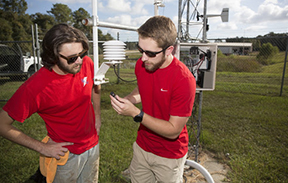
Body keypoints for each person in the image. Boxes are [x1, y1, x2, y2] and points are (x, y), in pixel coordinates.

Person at [0, 23, 101, 183]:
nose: (80, 61)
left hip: (93, 145)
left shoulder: (86, 63)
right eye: (72, 58)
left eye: (82, 53)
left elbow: (96, 86)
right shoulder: (35, 87)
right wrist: (42, 148)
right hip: (64, 155)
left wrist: (97, 115)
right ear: (53, 56)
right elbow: (2, 124)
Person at [110, 16, 196, 183]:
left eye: (150, 53)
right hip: (142, 147)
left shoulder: (183, 80)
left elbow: (173, 131)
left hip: (169, 155)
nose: (143, 58)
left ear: (169, 50)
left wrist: (136, 113)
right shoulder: (143, 64)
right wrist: (130, 100)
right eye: (140, 50)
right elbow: (143, 89)